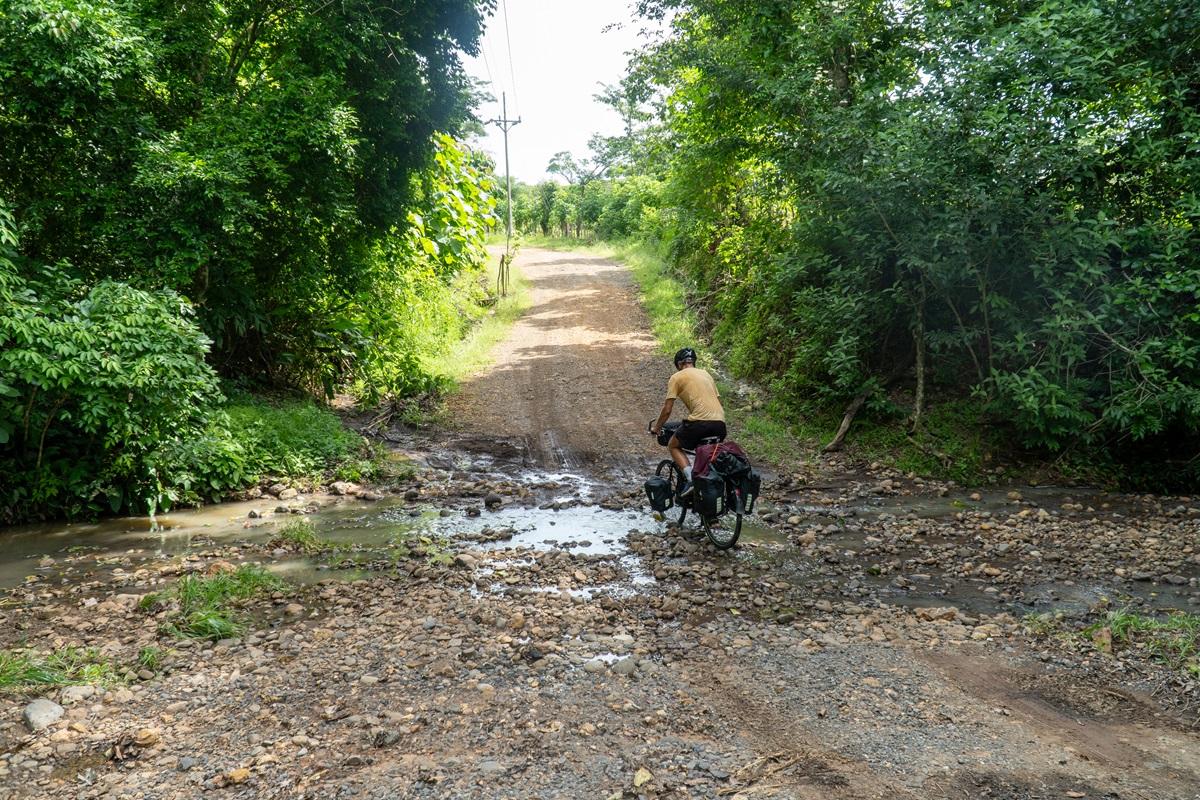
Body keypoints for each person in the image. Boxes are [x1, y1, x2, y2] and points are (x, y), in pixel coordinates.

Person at [649, 347, 726, 496]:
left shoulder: (677, 377)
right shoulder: (706, 374)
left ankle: (691, 480)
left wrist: (657, 428)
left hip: (699, 422)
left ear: (679, 364)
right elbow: (719, 402)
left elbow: (667, 410)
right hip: (720, 423)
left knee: (673, 445)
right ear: (693, 362)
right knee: (704, 450)